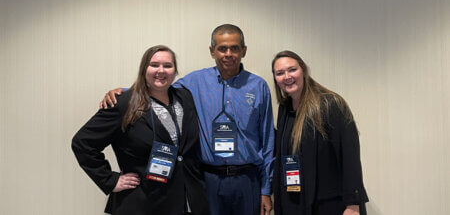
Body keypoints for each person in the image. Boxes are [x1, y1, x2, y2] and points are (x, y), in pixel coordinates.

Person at [101, 24, 275, 215]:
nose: (228, 53)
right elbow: (159, 88)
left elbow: (267, 141)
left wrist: (266, 190)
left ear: (244, 50)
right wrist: (123, 93)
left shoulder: (258, 86)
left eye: (234, 48)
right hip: (207, 179)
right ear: (212, 51)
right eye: (222, 48)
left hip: (247, 179)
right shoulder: (194, 81)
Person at [72, 45, 209, 215]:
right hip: (144, 202)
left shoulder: (186, 98)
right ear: (144, 69)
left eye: (167, 66)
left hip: (187, 200)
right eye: (154, 65)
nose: (161, 71)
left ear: (175, 71)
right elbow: (83, 143)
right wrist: (110, 180)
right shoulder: (123, 104)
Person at [271, 50, 368, 215]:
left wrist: (353, 204)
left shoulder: (330, 104)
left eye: (292, 70)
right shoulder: (285, 109)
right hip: (294, 201)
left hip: (328, 204)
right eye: (280, 73)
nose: (287, 76)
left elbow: (349, 156)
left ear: (304, 70)